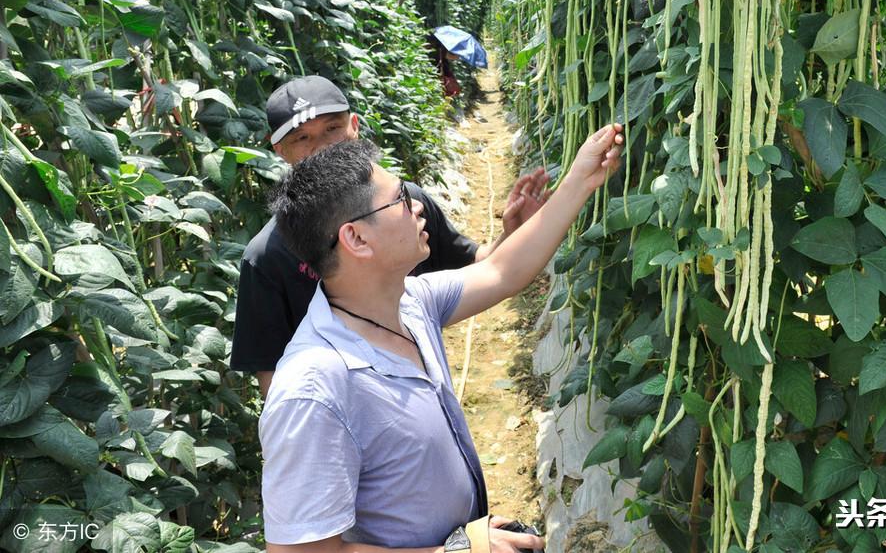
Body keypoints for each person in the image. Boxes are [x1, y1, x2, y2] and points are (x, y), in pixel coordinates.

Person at [259, 124, 623, 552]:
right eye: (400, 199)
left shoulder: (410, 302)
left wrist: (582, 177)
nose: (418, 208)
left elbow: (502, 271)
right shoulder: (314, 389)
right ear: (355, 238)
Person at [230, 75, 550, 396]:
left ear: (354, 126)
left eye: (332, 128)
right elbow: (273, 380)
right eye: (302, 138)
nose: (323, 148)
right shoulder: (266, 258)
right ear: (279, 149)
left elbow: (482, 268)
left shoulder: (407, 207)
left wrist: (511, 234)